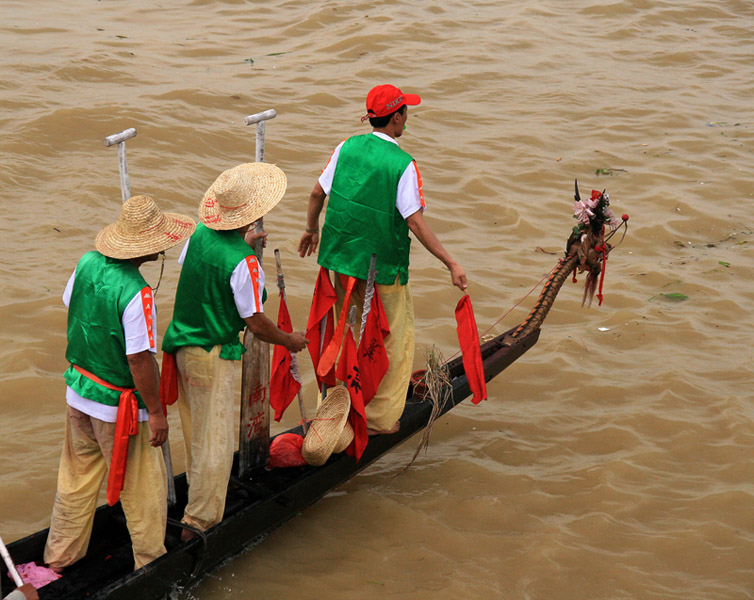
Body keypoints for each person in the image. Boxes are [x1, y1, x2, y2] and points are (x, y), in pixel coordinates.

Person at [298, 84, 467, 435]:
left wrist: (311, 229)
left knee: (344, 335)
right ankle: (377, 420)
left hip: (340, 264)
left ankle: (333, 410)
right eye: (405, 111)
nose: (407, 117)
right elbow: (415, 222)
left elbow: (317, 193)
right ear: (395, 118)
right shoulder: (402, 164)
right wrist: (450, 262)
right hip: (383, 270)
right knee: (393, 341)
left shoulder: (347, 146)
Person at [44, 195, 196, 572]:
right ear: (151, 248)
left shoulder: (86, 262)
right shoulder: (137, 293)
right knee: (143, 487)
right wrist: (157, 412)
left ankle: (58, 558)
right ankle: (150, 562)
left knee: (76, 479)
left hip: (78, 390)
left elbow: (72, 303)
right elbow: (138, 359)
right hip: (117, 407)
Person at [162, 163, 308, 541]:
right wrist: (290, 341)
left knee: (198, 434)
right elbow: (256, 322)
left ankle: (197, 500)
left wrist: (239, 244)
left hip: (182, 347)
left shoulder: (197, 236)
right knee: (217, 442)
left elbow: (205, 266)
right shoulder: (243, 263)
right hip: (213, 355)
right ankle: (200, 524)